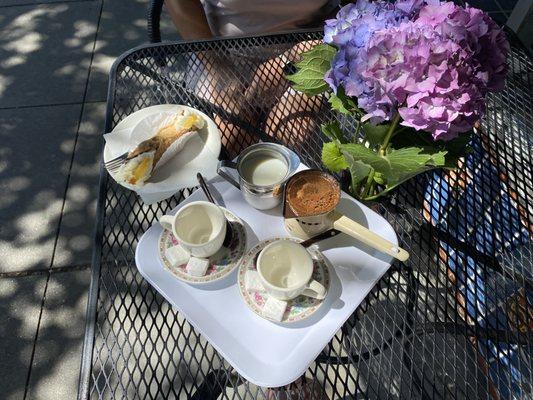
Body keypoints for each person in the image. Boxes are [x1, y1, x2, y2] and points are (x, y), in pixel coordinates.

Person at [164, 0, 339, 156]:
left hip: (306, 50)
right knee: (225, 143)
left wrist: (287, 64)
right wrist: (219, 70)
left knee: (287, 140)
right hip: (221, 52)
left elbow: (358, 10)